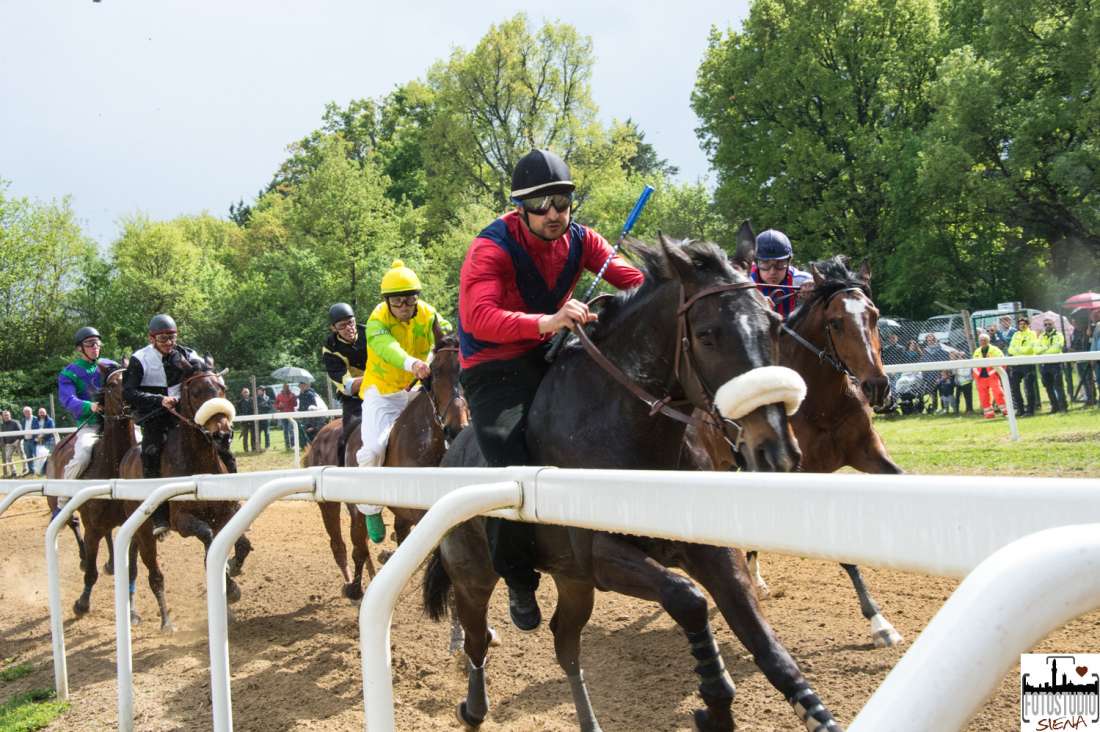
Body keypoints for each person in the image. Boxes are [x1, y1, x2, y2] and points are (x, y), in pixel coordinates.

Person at [458, 148, 645, 631]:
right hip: (494, 369)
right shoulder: (490, 247)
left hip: (549, 353)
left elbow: (635, 280)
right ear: (520, 206)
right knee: (508, 459)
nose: (555, 214)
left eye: (562, 203)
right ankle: (518, 576)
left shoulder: (583, 241)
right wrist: (548, 321)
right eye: (542, 204)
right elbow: (478, 317)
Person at [352, 260, 453, 544]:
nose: (406, 306)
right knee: (371, 451)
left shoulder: (428, 313)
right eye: (399, 301)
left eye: (410, 300)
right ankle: (370, 507)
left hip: (416, 391)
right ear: (387, 301)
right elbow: (388, 348)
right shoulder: (376, 321)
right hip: (383, 394)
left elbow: (447, 335)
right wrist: (413, 363)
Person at [123, 314, 236, 538]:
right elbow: (129, 392)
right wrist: (159, 400)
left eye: (172, 338)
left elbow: (203, 378)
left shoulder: (188, 354)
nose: (168, 343)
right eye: (163, 338)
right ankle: (159, 515)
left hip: (185, 415)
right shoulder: (139, 359)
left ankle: (233, 499)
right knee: (151, 452)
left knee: (221, 444)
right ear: (151, 338)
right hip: (155, 415)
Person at [57, 326, 119, 480]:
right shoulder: (69, 373)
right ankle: (63, 499)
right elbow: (68, 400)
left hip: (118, 422)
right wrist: (89, 406)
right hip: (90, 425)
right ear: (79, 348)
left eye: (97, 343)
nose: (95, 347)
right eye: (90, 344)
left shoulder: (111, 365)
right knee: (82, 456)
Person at [322, 302, 367, 468]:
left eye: (351, 322)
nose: (349, 328)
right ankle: (343, 469)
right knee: (348, 435)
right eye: (342, 326)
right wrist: (376, 377)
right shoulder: (330, 348)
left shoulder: (370, 332)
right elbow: (348, 386)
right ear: (333, 328)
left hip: (383, 392)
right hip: (355, 400)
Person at [748, 229, 813, 319]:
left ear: (789, 261)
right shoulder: (746, 283)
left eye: (780, 263)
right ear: (755, 262)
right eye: (765, 263)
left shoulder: (803, 281)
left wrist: (817, 293)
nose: (772, 272)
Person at [1008, 317, 1040, 416]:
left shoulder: (1032, 334)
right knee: (1014, 386)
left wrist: (1018, 350)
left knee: (1029, 387)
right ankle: (1020, 409)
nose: (1022, 326)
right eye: (1020, 324)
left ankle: (1030, 410)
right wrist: (1019, 351)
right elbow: (1010, 349)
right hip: (1017, 363)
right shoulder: (1016, 334)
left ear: (1028, 324)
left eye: (1024, 324)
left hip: (1028, 363)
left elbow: (1030, 349)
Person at [972, 332, 1007, 419]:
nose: (982, 342)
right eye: (981, 340)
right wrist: (976, 375)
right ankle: (989, 413)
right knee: (983, 395)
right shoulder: (977, 351)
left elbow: (1001, 361)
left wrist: (996, 372)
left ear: (988, 340)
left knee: (998, 393)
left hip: (992, 375)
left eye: (984, 340)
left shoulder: (995, 350)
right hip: (981, 377)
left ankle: (1005, 410)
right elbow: (973, 364)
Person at [1036, 318, 1067, 413]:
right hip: (1044, 365)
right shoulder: (1041, 336)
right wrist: (1047, 348)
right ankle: (1054, 406)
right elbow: (1036, 350)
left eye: (1049, 324)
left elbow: (1057, 348)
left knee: (1058, 386)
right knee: (1048, 387)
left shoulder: (1059, 335)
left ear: (1053, 325)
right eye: (1045, 325)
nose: (1047, 326)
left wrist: (1043, 350)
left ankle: (1063, 407)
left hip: (1056, 364)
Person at [920, 334, 949, 412]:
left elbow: (944, 362)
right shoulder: (925, 351)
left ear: (935, 340)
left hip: (940, 376)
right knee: (933, 394)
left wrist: (940, 376)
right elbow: (923, 364)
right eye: (929, 340)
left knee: (942, 393)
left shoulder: (941, 350)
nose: (931, 342)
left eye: (932, 340)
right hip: (930, 377)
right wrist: (925, 377)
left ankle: (944, 409)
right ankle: (934, 408)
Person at [295, 381, 322, 446]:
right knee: (303, 430)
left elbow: (313, 404)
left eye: (301, 386)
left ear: (305, 386)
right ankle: (304, 444)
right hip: (303, 415)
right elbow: (301, 405)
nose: (300, 387)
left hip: (310, 414)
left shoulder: (310, 394)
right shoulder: (301, 394)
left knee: (309, 430)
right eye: (300, 386)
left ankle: (311, 443)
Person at [275, 383, 297, 449]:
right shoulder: (279, 395)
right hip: (283, 414)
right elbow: (275, 405)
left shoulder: (292, 395)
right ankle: (287, 445)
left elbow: (295, 404)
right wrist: (279, 406)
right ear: (282, 388)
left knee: (291, 430)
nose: (285, 388)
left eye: (286, 387)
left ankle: (293, 445)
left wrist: (293, 398)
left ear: (288, 388)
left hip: (291, 414)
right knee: (285, 430)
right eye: (284, 387)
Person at [35, 407, 55, 476]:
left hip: (48, 440)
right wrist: (37, 437)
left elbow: (51, 430)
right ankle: (42, 471)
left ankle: (48, 470)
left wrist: (42, 436)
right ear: (38, 414)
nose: (41, 414)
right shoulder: (36, 420)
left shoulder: (50, 420)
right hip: (39, 441)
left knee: (48, 457)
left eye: (43, 412)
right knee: (40, 457)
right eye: (40, 413)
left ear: (46, 413)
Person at [236, 387, 256, 451]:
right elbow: (238, 412)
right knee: (245, 436)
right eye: (244, 392)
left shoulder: (253, 401)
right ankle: (246, 449)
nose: (246, 393)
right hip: (244, 421)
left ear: (249, 393)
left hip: (253, 420)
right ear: (242, 393)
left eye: (247, 392)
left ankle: (254, 448)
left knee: (253, 435)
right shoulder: (239, 402)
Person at [1, 410, 20, 478]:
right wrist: (5, 443)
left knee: (23, 455)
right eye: (4, 415)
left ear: (10, 415)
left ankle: (26, 470)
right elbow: (3, 435)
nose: (6, 416)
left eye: (7, 415)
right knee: (8, 457)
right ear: (3, 416)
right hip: (9, 444)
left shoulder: (15, 422)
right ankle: (14, 472)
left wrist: (18, 440)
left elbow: (21, 432)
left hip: (18, 441)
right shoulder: (2, 425)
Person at [19, 406, 36, 476]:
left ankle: (39, 471)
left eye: (28, 411)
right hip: (26, 441)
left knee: (37, 455)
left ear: (31, 412)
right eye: (25, 412)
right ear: (24, 413)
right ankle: (31, 471)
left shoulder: (36, 419)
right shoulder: (23, 420)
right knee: (28, 456)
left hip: (34, 440)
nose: (27, 413)